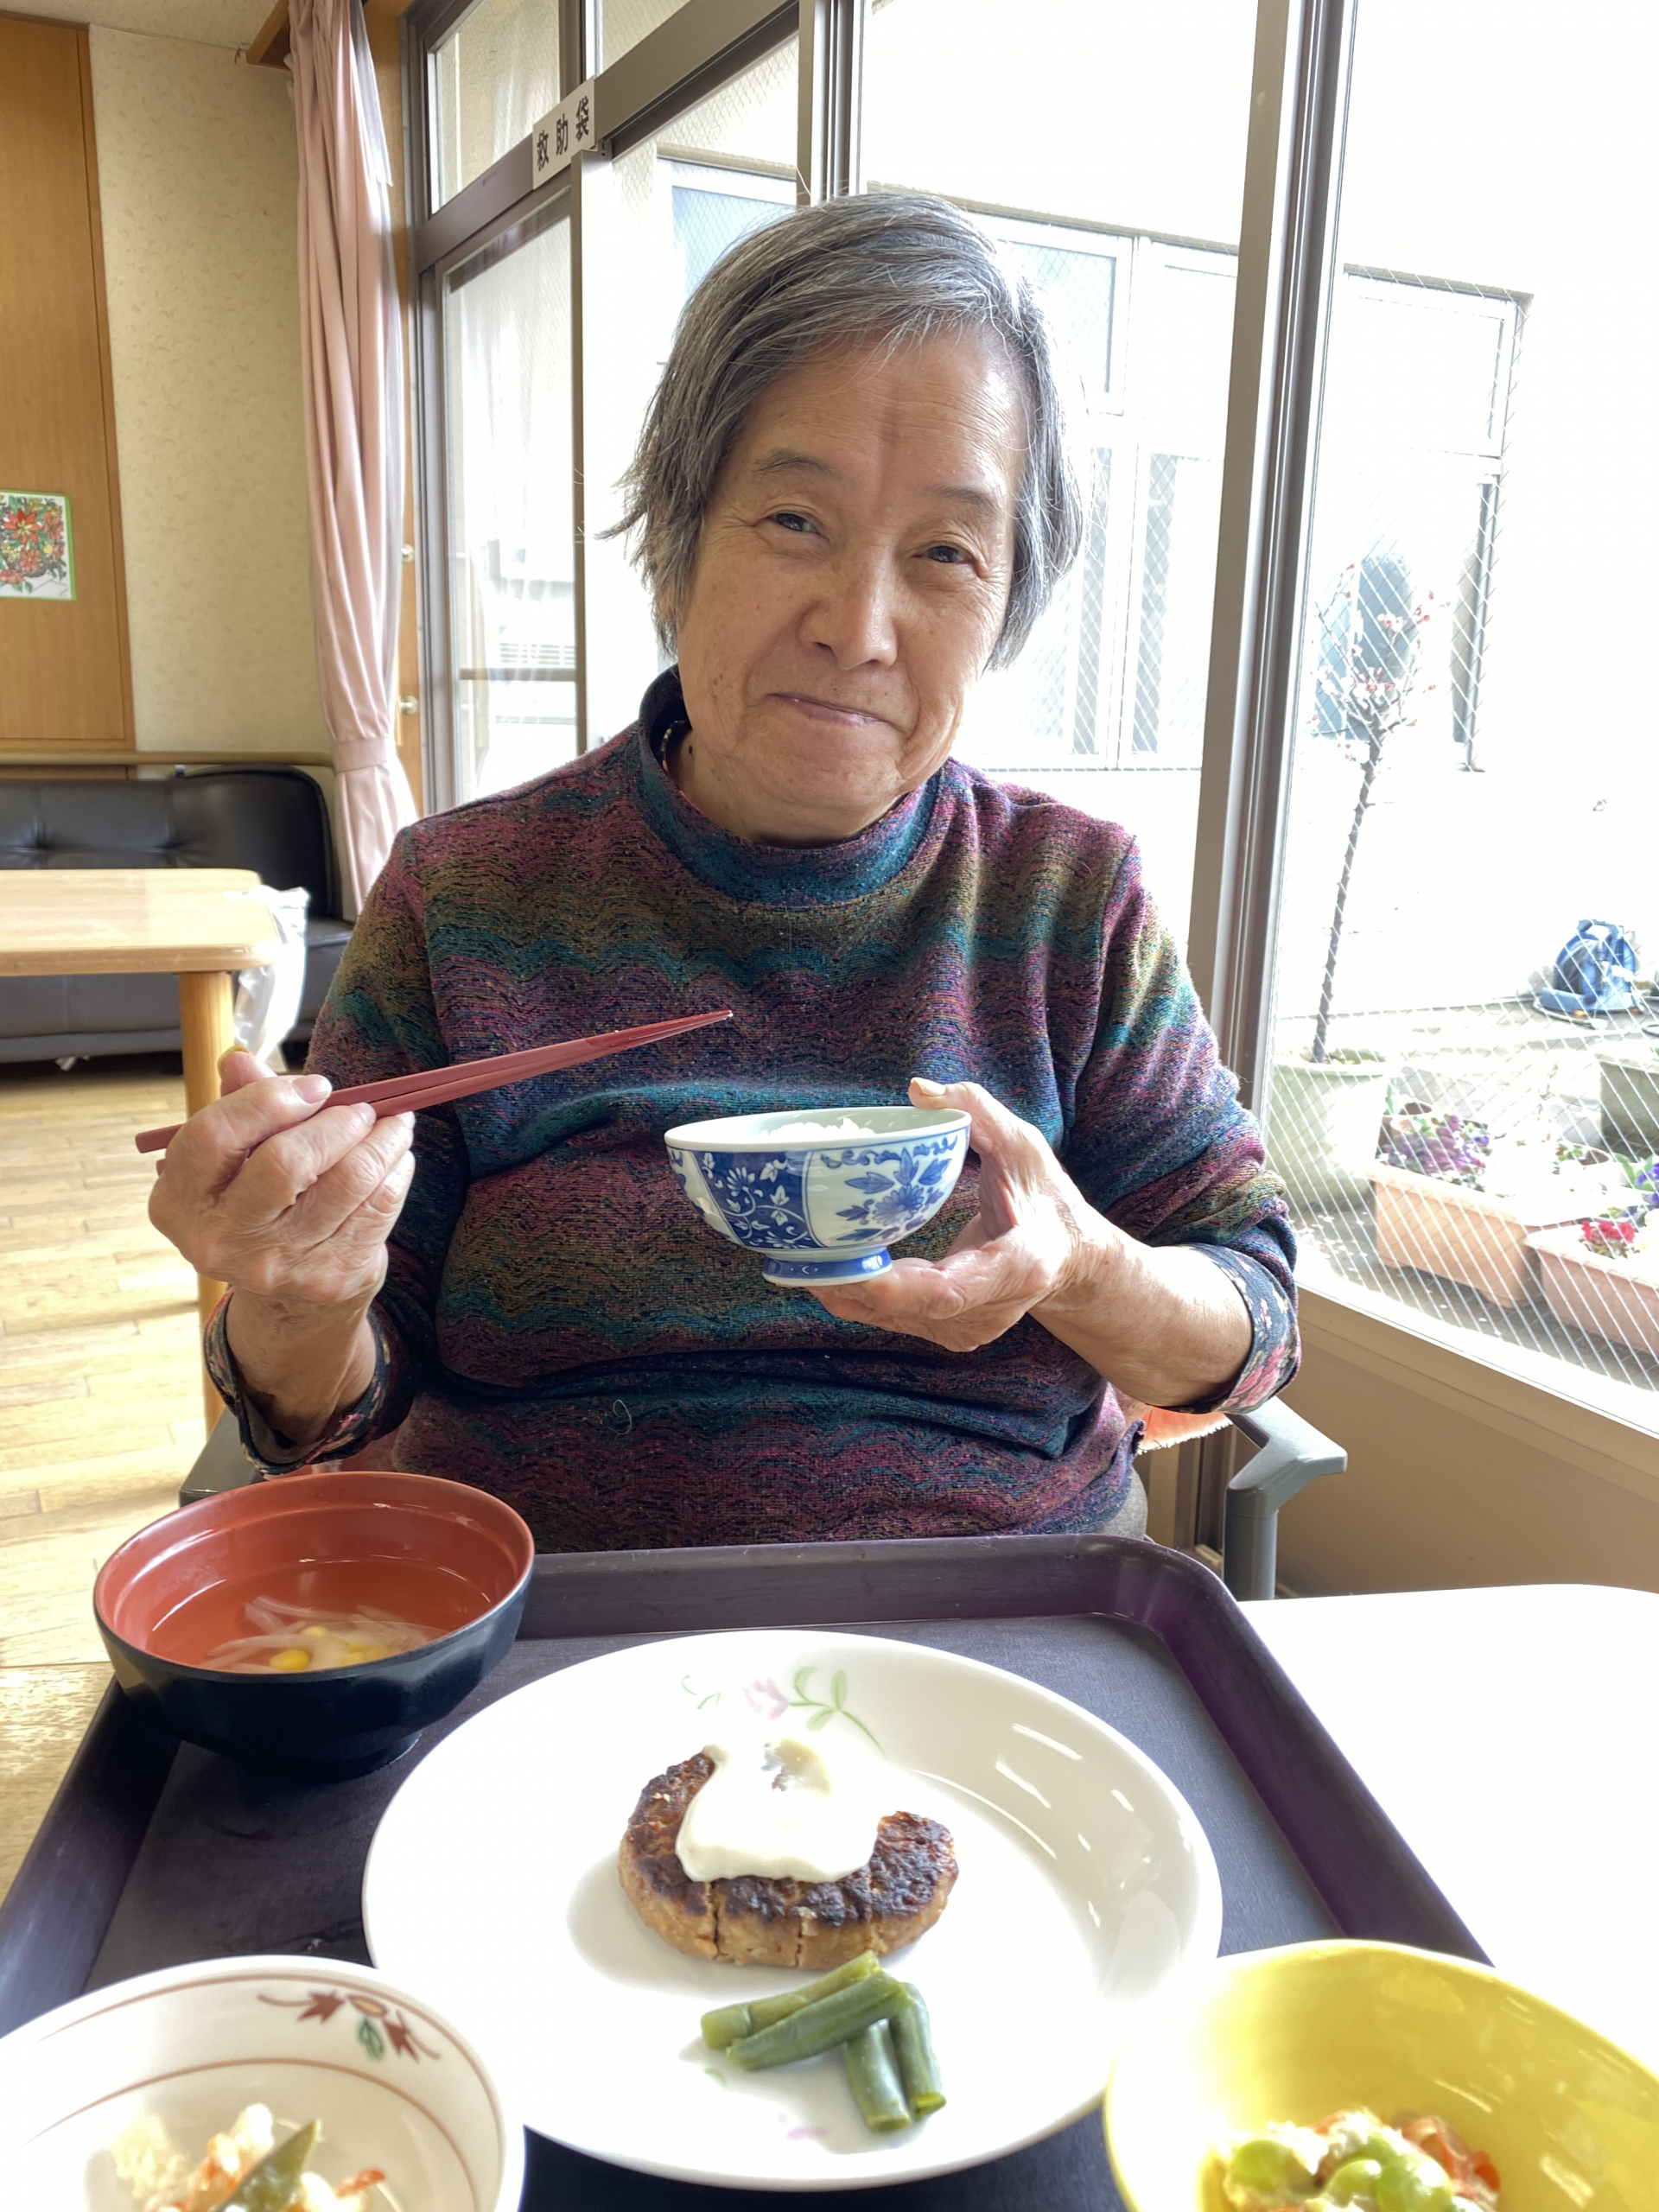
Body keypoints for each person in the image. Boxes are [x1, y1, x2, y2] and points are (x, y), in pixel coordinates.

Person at [150, 194, 1297, 1551]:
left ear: (1006, 604)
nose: (858, 629)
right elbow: (323, 1408)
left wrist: (1083, 1267)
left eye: (945, 553)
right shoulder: (466, 898)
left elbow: (1255, 1322)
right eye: (795, 520)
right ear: (679, 540)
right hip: (558, 1619)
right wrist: (300, 1296)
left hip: (1002, 1617)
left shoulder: (1069, 900)